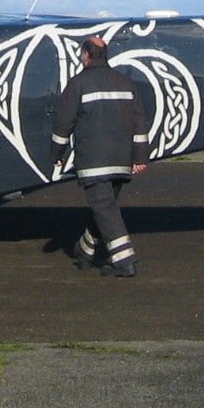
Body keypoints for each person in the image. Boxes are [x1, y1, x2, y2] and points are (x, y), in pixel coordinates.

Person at [49, 35, 151, 278]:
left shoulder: (78, 84)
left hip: (93, 162)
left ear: (86, 55)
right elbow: (139, 122)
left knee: (104, 207)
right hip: (121, 161)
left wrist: (56, 154)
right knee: (104, 206)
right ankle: (84, 252)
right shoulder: (126, 84)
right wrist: (140, 157)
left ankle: (124, 260)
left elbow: (64, 122)